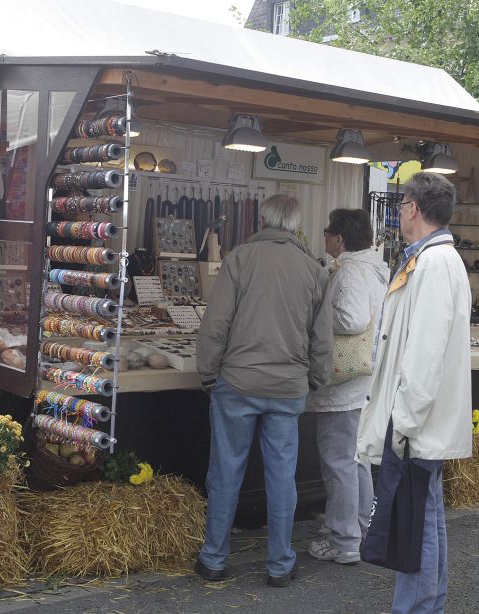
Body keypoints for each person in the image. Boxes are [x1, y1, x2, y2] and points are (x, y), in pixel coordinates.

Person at [195, 194, 332, 588]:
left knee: (225, 472)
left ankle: (214, 559)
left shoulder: (239, 259)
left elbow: (215, 324)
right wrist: (313, 380)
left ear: (262, 220)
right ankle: (280, 564)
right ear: (296, 224)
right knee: (282, 478)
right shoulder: (315, 270)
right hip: (288, 388)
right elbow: (322, 340)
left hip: (238, 383)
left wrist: (209, 374)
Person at [356, 172, 472, 613]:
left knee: (414, 526)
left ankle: (417, 609)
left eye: (402, 205)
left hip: (413, 421)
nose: (400, 212)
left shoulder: (434, 263)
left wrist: (403, 423)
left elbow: (424, 353)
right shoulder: (433, 259)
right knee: (423, 519)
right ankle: (427, 606)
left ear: (413, 209)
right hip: (417, 418)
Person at [305, 209, 389, 565]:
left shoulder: (350, 271)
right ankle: (361, 529)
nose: (324, 236)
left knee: (339, 462)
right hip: (362, 378)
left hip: (343, 382)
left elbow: (351, 319)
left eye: (328, 231)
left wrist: (317, 314)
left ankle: (344, 541)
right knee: (356, 461)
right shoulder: (374, 269)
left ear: (339, 239)